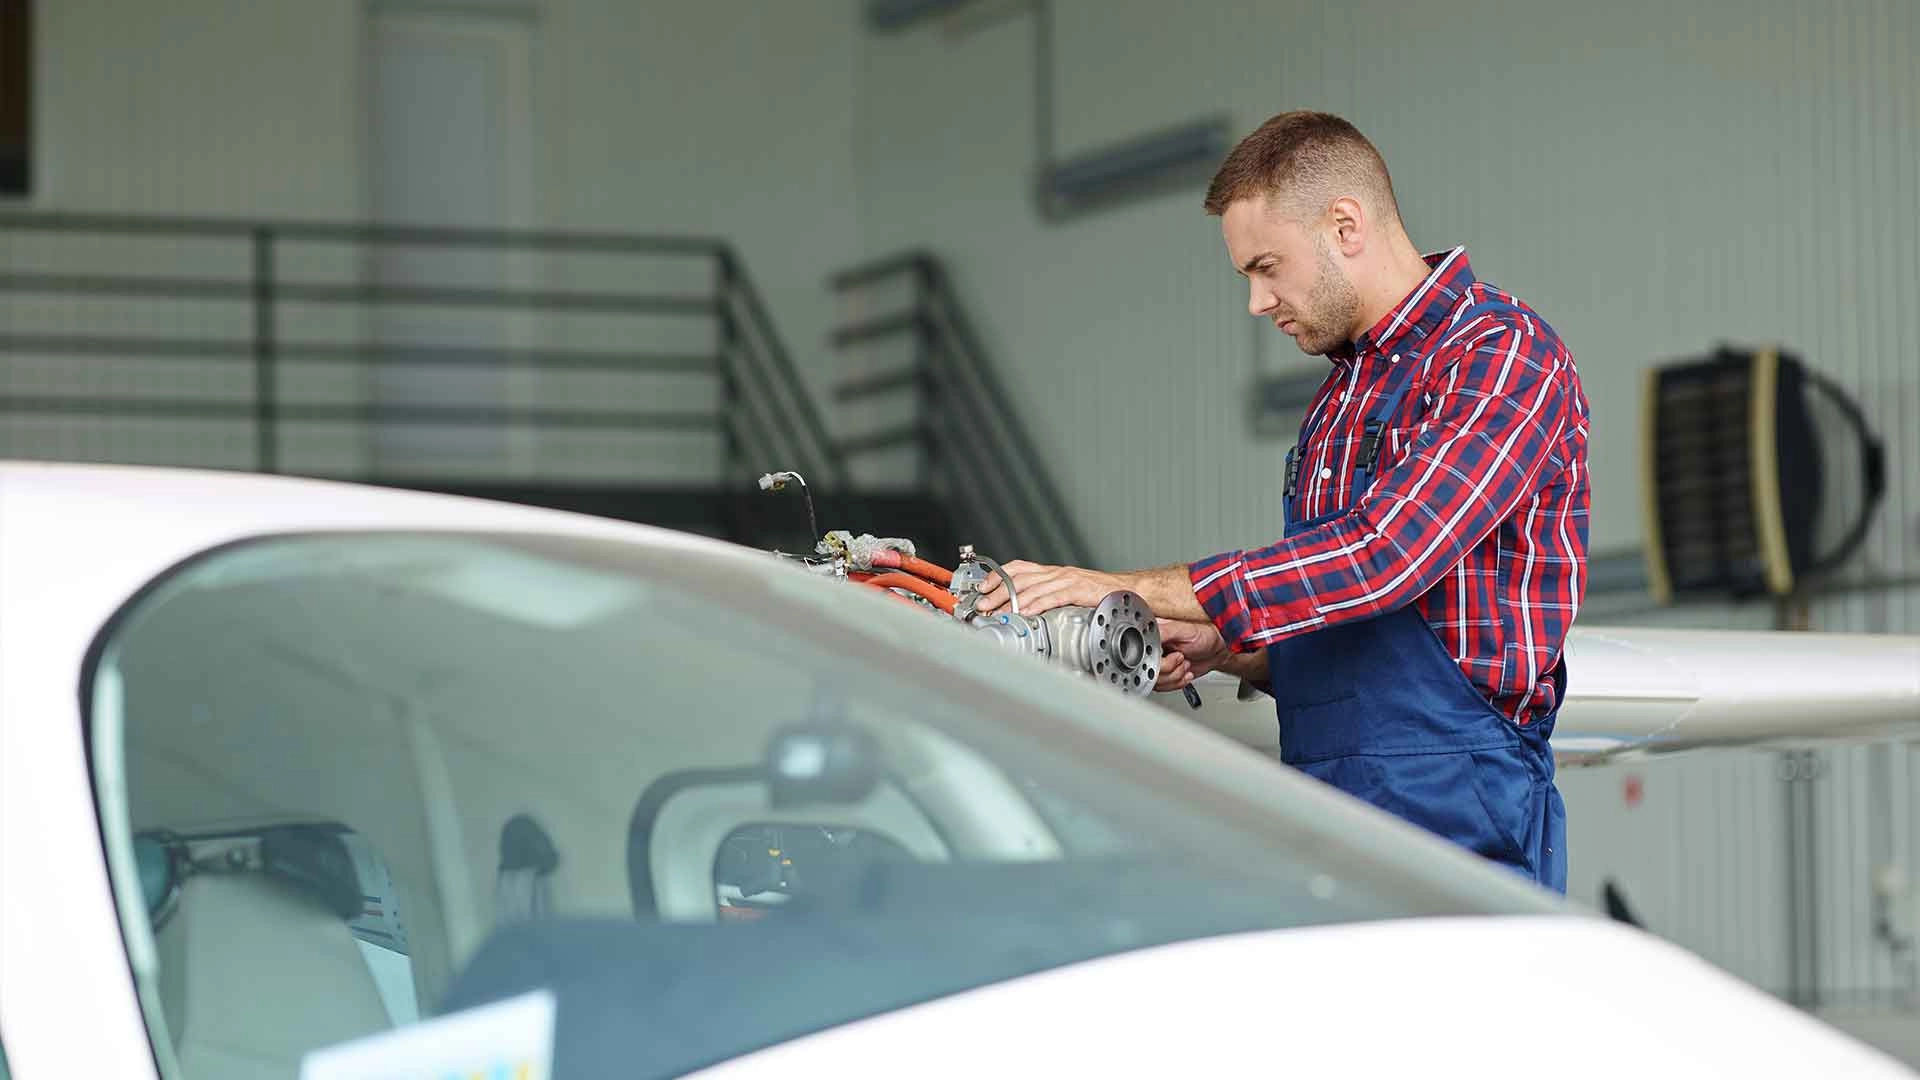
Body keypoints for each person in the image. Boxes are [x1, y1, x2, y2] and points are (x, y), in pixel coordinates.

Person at [976, 111, 1589, 892]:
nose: (1257, 303)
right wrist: (1229, 650)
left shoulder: (1502, 357)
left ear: (1345, 224)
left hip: (1461, 807)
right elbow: (1350, 631)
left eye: (1267, 267)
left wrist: (1112, 585)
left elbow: (1381, 560)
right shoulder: (1336, 402)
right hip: (1325, 804)